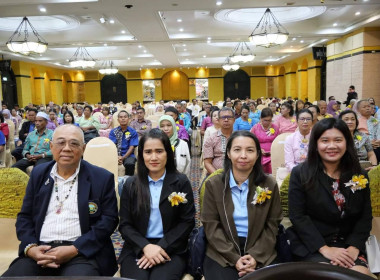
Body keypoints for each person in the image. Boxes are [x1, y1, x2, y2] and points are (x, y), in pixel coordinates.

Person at [2, 124, 119, 277]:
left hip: (81, 253)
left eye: (74, 143)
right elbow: (25, 217)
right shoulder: (39, 174)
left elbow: (108, 221)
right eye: (61, 142)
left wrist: (75, 249)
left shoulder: (101, 178)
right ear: (51, 146)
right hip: (40, 250)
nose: (67, 148)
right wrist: (31, 248)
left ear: (83, 149)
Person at [287, 118, 373, 277]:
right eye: (325, 140)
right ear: (316, 143)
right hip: (312, 244)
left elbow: (365, 216)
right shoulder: (301, 173)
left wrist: (354, 247)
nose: (332, 146)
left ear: (347, 142)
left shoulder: (359, 174)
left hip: (348, 245)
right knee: (326, 275)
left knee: (360, 276)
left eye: (338, 140)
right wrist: (325, 250)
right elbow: (298, 216)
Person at [201, 130, 282, 280]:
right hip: (222, 250)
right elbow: (211, 225)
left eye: (250, 150)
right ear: (228, 154)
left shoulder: (268, 184)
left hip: (261, 246)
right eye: (237, 150)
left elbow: (272, 224)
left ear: (258, 154)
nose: (243, 155)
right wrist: (234, 258)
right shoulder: (214, 184)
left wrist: (256, 255)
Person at [118, 128, 195, 280]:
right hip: (137, 246)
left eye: (159, 151)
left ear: (168, 153)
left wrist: (161, 247)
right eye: (148, 152)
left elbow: (187, 222)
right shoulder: (131, 184)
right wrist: (145, 247)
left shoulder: (181, 182)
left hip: (171, 246)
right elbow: (125, 225)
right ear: (141, 155)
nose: (154, 157)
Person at [203, 108, 235, 175]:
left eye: (229, 117)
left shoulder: (239, 138)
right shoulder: (211, 139)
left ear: (234, 119)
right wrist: (218, 177)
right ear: (219, 120)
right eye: (223, 117)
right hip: (216, 176)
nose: (226, 120)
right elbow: (207, 162)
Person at [109, 110, 138, 176]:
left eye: (125, 117)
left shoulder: (132, 132)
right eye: (121, 117)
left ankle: (128, 182)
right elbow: (112, 146)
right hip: (115, 155)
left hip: (128, 155)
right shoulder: (113, 131)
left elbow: (131, 147)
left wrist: (123, 157)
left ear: (129, 119)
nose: (123, 118)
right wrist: (117, 157)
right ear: (118, 120)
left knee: (130, 164)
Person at [250, 108, 279, 174]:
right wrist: (259, 149)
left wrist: (274, 151)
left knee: (273, 165)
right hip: (259, 154)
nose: (267, 122)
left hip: (272, 154)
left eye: (269, 120)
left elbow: (278, 142)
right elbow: (251, 142)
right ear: (261, 118)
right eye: (265, 120)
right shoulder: (255, 128)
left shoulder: (275, 127)